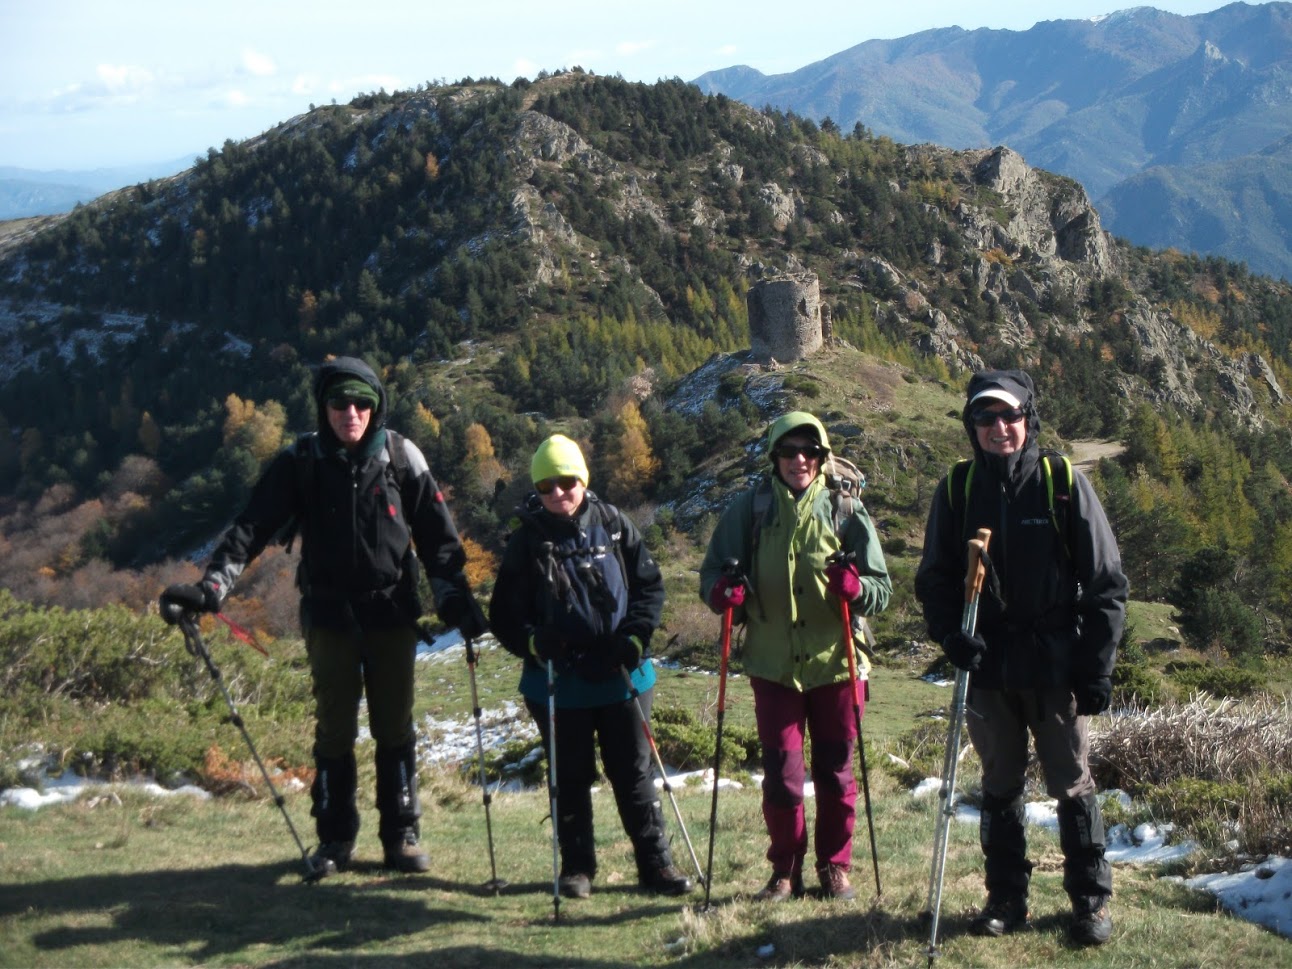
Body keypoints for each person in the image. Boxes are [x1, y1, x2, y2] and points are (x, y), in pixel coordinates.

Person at [160, 356, 485, 877]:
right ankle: (335, 838)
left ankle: (401, 834)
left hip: (391, 615)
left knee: (393, 726)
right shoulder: (301, 460)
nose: (350, 413)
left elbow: (438, 537)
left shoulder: (402, 455)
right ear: (324, 407)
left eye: (362, 403)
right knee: (334, 730)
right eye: (339, 403)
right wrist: (213, 588)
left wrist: (455, 598)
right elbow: (252, 526)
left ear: (376, 407)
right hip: (329, 616)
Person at [914, 369, 1128, 946]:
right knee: (1000, 785)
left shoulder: (1062, 483)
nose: (999, 428)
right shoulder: (957, 489)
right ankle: (1006, 897)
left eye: (1009, 416)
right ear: (972, 426)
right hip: (988, 668)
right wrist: (950, 635)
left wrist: (1096, 666)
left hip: (1055, 666)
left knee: (1071, 783)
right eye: (985, 418)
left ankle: (1090, 901)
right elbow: (934, 578)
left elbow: (1105, 583)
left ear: (1028, 419)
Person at [489, 434, 693, 900]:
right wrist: (534, 643)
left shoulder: (616, 525)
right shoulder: (527, 541)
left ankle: (655, 864)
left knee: (634, 773)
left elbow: (649, 588)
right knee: (570, 776)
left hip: (624, 674)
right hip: (558, 680)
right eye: (547, 486)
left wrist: (635, 639)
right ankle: (577, 869)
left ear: (582, 478)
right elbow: (503, 614)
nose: (558, 494)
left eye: (567, 482)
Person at [699, 412, 891, 902]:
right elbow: (712, 581)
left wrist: (857, 588)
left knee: (836, 774)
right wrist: (726, 594)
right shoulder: (751, 509)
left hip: (839, 665)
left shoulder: (845, 510)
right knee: (783, 780)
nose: (799, 460)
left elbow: (880, 589)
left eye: (810, 451)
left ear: (823, 458)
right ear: (775, 458)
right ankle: (785, 870)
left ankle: (835, 867)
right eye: (789, 451)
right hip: (773, 667)